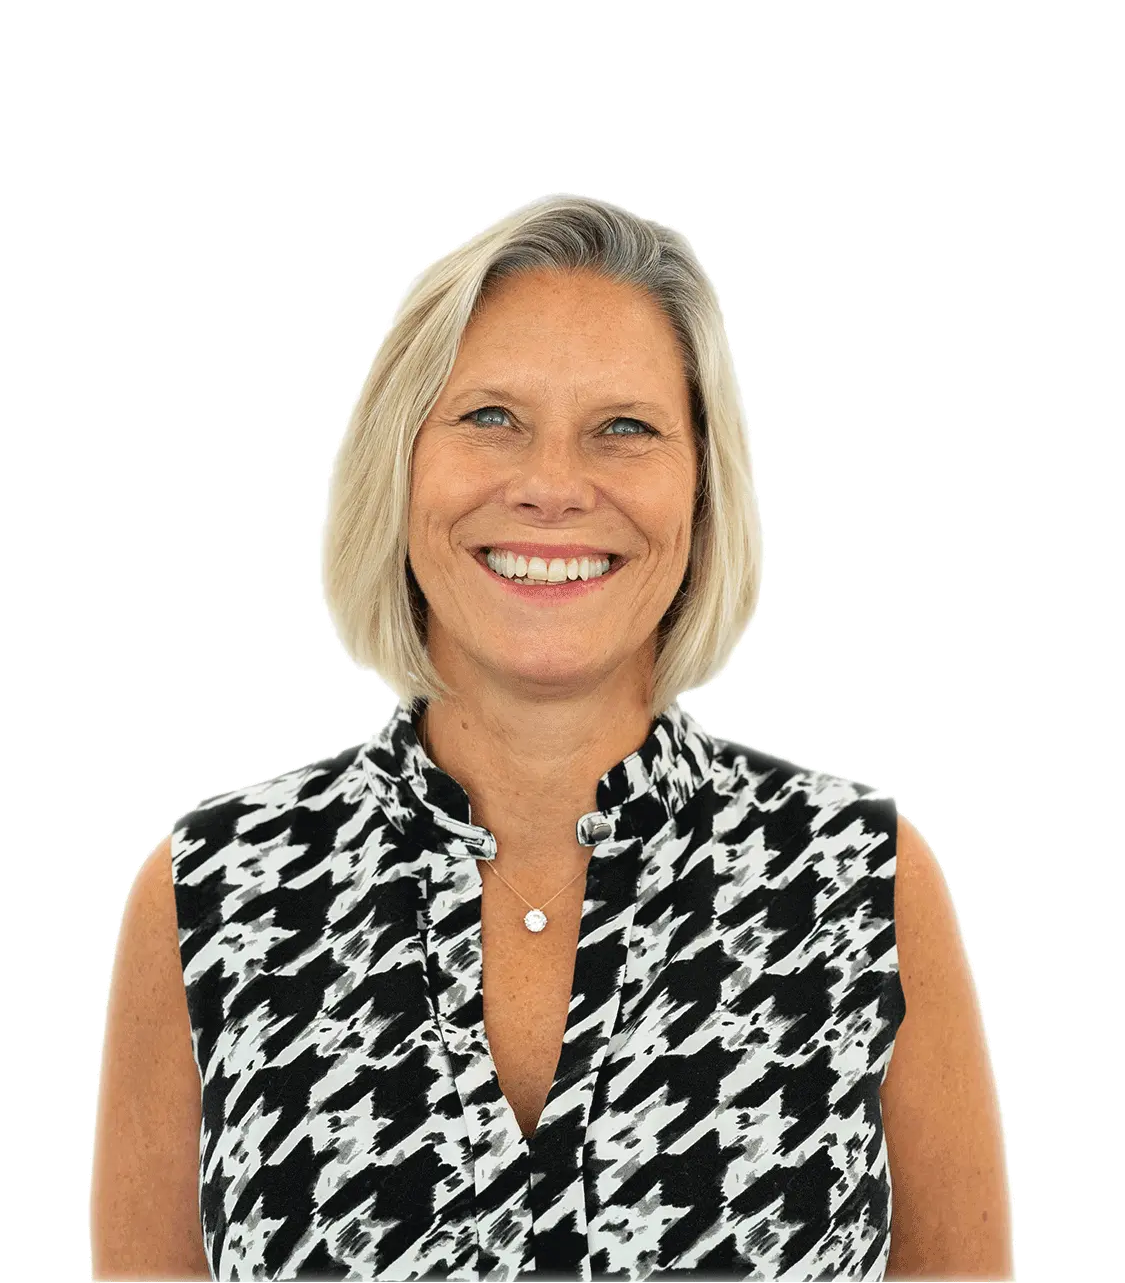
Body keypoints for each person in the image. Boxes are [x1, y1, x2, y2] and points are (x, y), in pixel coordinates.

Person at [90, 194, 1012, 1282]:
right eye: (490, 417)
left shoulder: (860, 880)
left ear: (702, 491)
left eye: (625, 427)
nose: (552, 487)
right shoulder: (218, 891)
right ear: (401, 466)